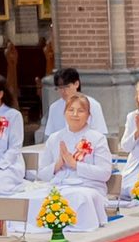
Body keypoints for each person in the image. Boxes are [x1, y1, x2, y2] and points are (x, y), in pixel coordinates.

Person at [32, 93, 111, 232]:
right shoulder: (54, 138)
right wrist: (57, 165)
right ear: (64, 113)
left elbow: (105, 173)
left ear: (88, 115)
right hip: (58, 186)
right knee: (32, 197)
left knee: (81, 197)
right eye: (71, 110)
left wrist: (75, 165)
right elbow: (42, 174)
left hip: (87, 187)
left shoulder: (97, 138)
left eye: (80, 111)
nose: (75, 114)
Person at [41, 67, 108, 143]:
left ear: (76, 84)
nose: (64, 91)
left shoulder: (92, 104)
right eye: (60, 88)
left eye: (67, 87)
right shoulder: (54, 107)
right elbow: (50, 135)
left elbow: (100, 133)